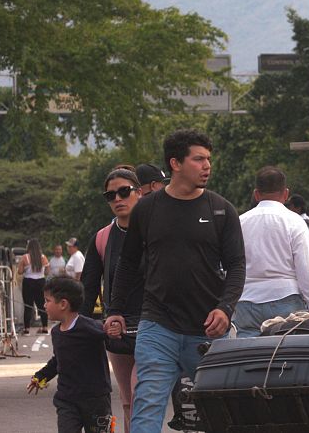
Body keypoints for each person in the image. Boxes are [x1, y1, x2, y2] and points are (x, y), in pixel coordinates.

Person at [104, 129, 245, 432]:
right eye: (198, 159)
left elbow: (236, 265)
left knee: (222, 411)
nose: (207, 165)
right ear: (175, 163)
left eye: (208, 159)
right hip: (158, 327)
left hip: (208, 329)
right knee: (148, 406)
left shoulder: (221, 209)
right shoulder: (147, 208)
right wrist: (114, 309)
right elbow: (127, 263)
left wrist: (226, 308)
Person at [80, 167, 145, 433]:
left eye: (124, 191)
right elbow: (89, 286)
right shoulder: (102, 238)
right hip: (117, 328)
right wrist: (82, 330)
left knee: (139, 391)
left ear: (139, 193)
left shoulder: (158, 230)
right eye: (110, 195)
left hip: (156, 327)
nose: (118, 199)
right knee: (128, 400)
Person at [233, 166, 309, 337]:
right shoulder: (295, 222)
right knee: (285, 358)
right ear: (285, 194)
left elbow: (231, 266)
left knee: (250, 358)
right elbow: (306, 268)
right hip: (285, 299)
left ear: (256, 194)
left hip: (246, 301)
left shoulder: (240, 222)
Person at [27, 277, 113, 433]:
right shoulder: (56, 332)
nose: (44, 305)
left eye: (47, 301)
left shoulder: (90, 328)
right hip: (67, 400)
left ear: (63, 304)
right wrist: (40, 376)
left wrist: (113, 330)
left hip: (97, 400)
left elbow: (109, 335)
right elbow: (57, 361)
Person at [17, 238, 50, 335]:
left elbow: (20, 271)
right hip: (40, 282)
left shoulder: (25, 257)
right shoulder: (43, 257)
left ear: (29, 247)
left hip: (28, 282)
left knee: (28, 305)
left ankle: (26, 329)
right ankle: (44, 327)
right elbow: (47, 271)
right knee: (42, 305)